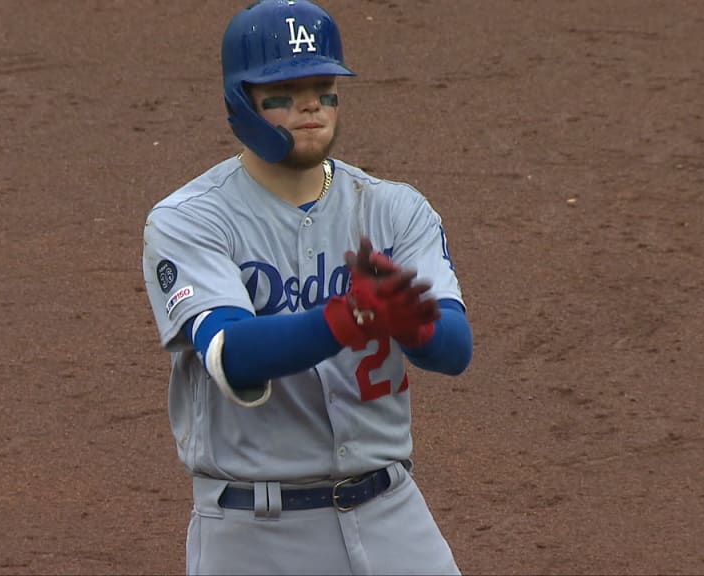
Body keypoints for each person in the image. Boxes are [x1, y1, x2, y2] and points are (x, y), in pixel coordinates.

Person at [141, 1, 474, 573]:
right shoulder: (189, 219)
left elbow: (456, 349)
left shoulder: (395, 209)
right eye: (285, 93)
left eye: (322, 88)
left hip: (392, 515)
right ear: (240, 101)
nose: (310, 106)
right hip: (255, 532)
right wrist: (345, 318)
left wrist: (413, 324)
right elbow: (231, 355)